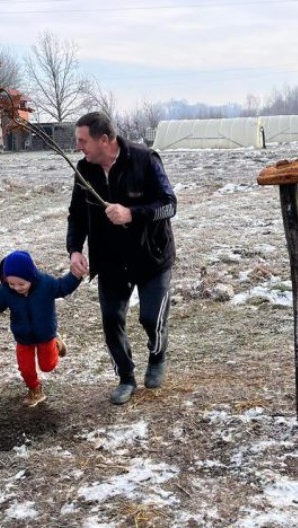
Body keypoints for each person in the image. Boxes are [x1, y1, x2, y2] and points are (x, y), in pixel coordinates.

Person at [67, 111, 177, 405]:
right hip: (111, 260)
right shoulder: (84, 170)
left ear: (104, 140)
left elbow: (169, 205)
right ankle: (126, 377)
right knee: (111, 320)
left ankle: (157, 355)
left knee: (151, 318)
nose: (78, 146)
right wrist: (75, 249)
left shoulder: (145, 159)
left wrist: (132, 213)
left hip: (151, 256)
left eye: (82, 140)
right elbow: (76, 215)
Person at [0, 250, 82, 407]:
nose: (16, 288)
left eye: (21, 284)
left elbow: (63, 287)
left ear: (31, 277)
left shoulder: (46, 284)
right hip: (22, 336)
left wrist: (75, 276)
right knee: (26, 368)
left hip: (45, 333)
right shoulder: (6, 291)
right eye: (12, 284)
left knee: (48, 366)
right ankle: (35, 390)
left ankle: (56, 343)